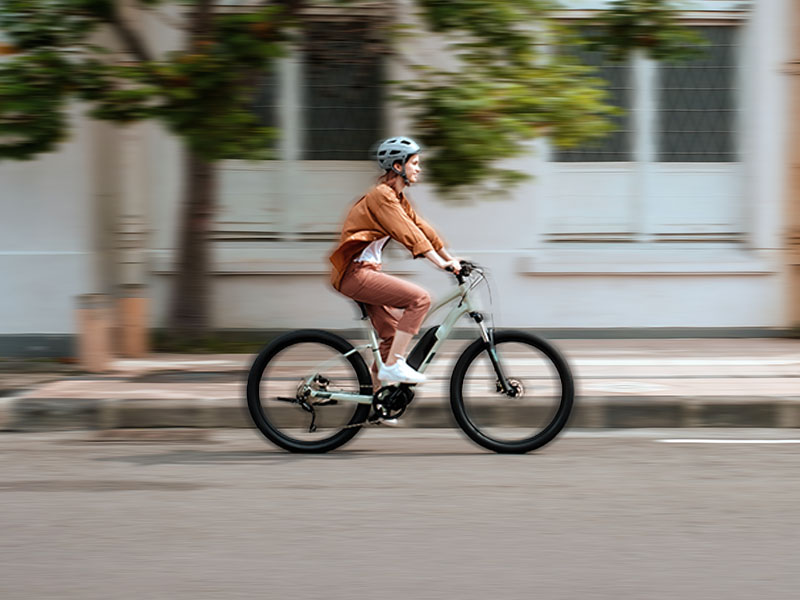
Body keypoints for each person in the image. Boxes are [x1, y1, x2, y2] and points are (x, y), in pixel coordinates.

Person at [329, 136, 461, 388]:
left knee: (391, 335)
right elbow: (407, 233)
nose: (419, 168)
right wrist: (439, 263)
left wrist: (450, 258)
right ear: (398, 166)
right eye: (415, 163)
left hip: (366, 273)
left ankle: (375, 401)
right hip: (355, 274)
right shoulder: (381, 196)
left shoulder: (397, 198)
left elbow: (422, 229)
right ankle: (394, 365)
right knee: (420, 299)